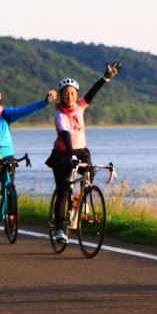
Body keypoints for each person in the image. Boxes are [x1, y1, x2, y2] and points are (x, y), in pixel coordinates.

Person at [46, 62, 122, 243]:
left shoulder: (79, 106)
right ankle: (59, 228)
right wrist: (71, 156)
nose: (69, 96)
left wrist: (105, 78)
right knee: (64, 191)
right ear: (62, 96)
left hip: (82, 151)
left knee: (90, 172)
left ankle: (80, 199)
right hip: (63, 154)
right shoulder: (60, 116)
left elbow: (91, 94)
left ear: (76, 95)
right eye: (65, 93)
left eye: (72, 93)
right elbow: (64, 135)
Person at [0, 87, 58, 206]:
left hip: (7, 153)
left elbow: (25, 110)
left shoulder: (6, 114)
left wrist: (44, 103)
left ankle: (12, 216)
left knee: (10, 185)